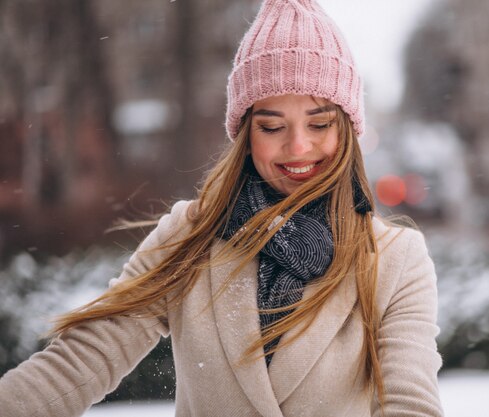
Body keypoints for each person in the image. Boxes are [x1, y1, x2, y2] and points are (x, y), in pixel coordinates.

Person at [0, 0, 444, 416]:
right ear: (246, 135)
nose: (298, 146)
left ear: (347, 129)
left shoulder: (395, 260)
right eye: (272, 126)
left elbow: (410, 403)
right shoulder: (188, 235)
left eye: (320, 123)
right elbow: (81, 361)